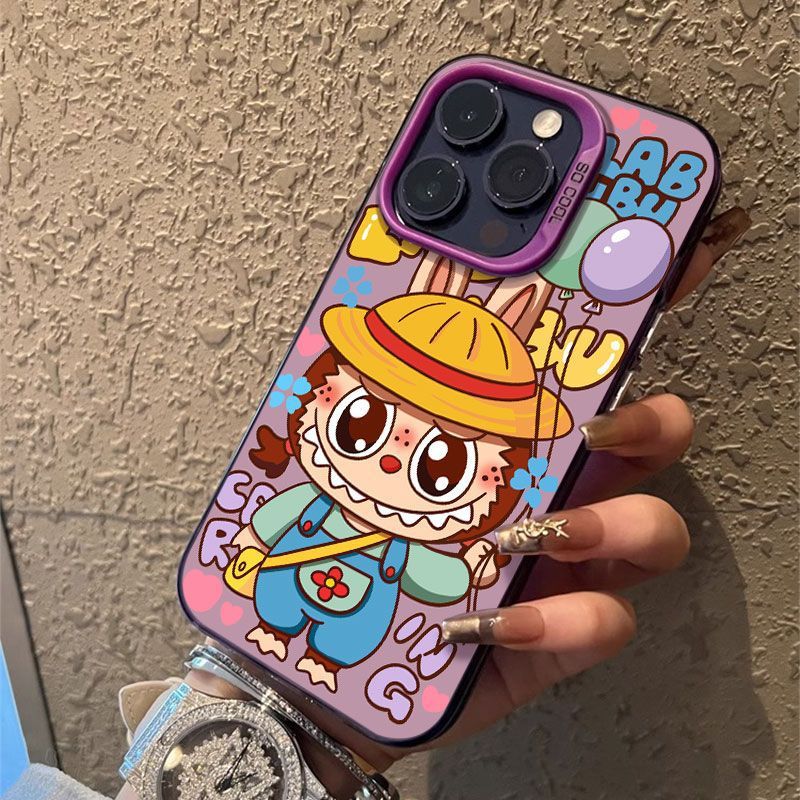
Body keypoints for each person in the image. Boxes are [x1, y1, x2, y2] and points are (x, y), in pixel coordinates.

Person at [3, 208, 751, 800]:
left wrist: (478, 569)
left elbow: (438, 577)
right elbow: (269, 522)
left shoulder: (413, 546)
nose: (389, 462)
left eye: (440, 462)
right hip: (278, 605)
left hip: (348, 637)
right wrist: (267, 700)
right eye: (360, 425)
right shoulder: (311, 508)